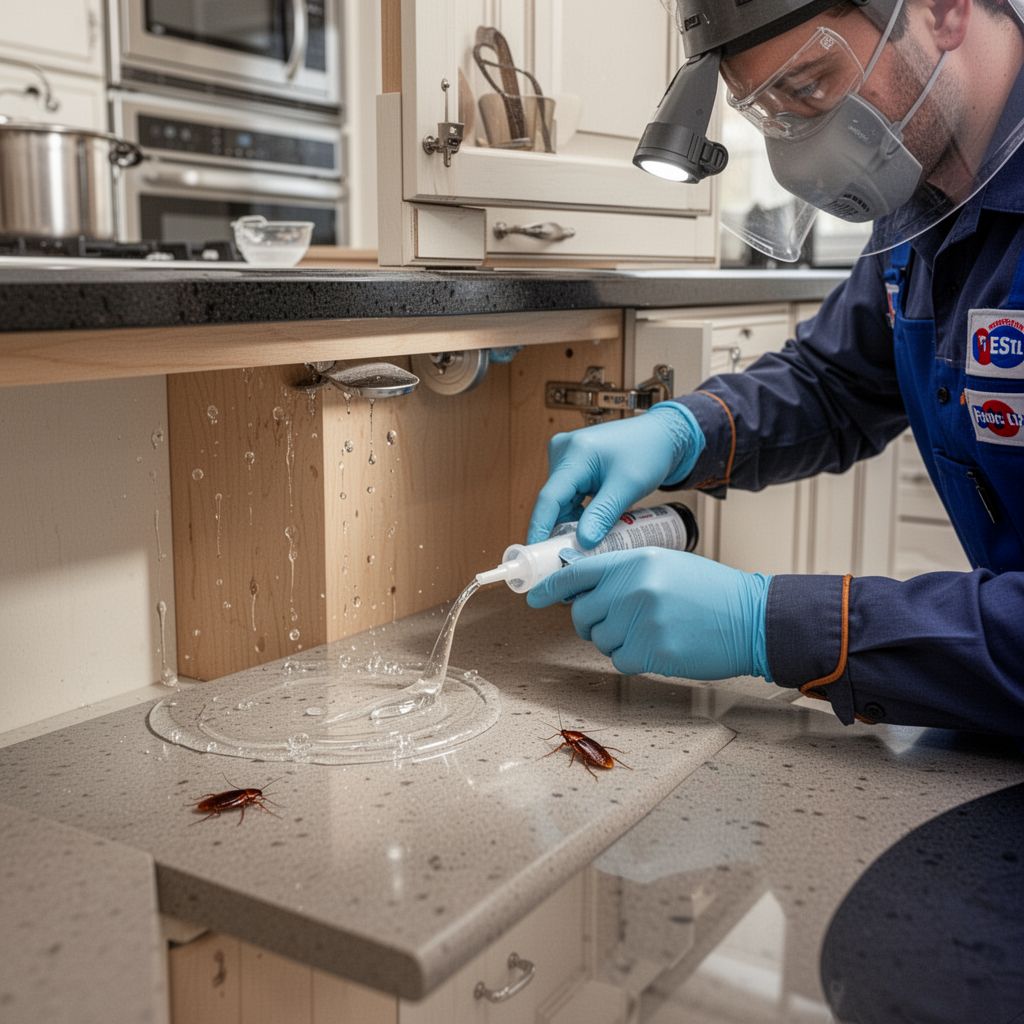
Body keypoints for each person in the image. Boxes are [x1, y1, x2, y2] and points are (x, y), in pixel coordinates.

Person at [526, 0, 1024, 736]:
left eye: (811, 87)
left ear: (943, 10)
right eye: (770, 115)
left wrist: (771, 625)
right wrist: (683, 431)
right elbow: (837, 382)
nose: (799, 150)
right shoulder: (923, 184)